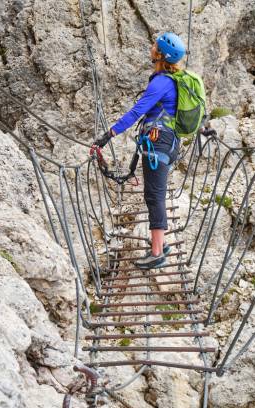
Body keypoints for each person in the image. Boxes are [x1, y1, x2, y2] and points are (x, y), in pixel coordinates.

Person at [92, 32, 187, 269]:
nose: (151, 47)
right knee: (154, 194)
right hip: (165, 143)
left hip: (158, 144)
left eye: (155, 45)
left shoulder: (161, 82)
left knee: (154, 196)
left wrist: (108, 135)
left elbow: (136, 112)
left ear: (160, 54)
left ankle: (156, 253)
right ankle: (161, 244)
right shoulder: (172, 79)